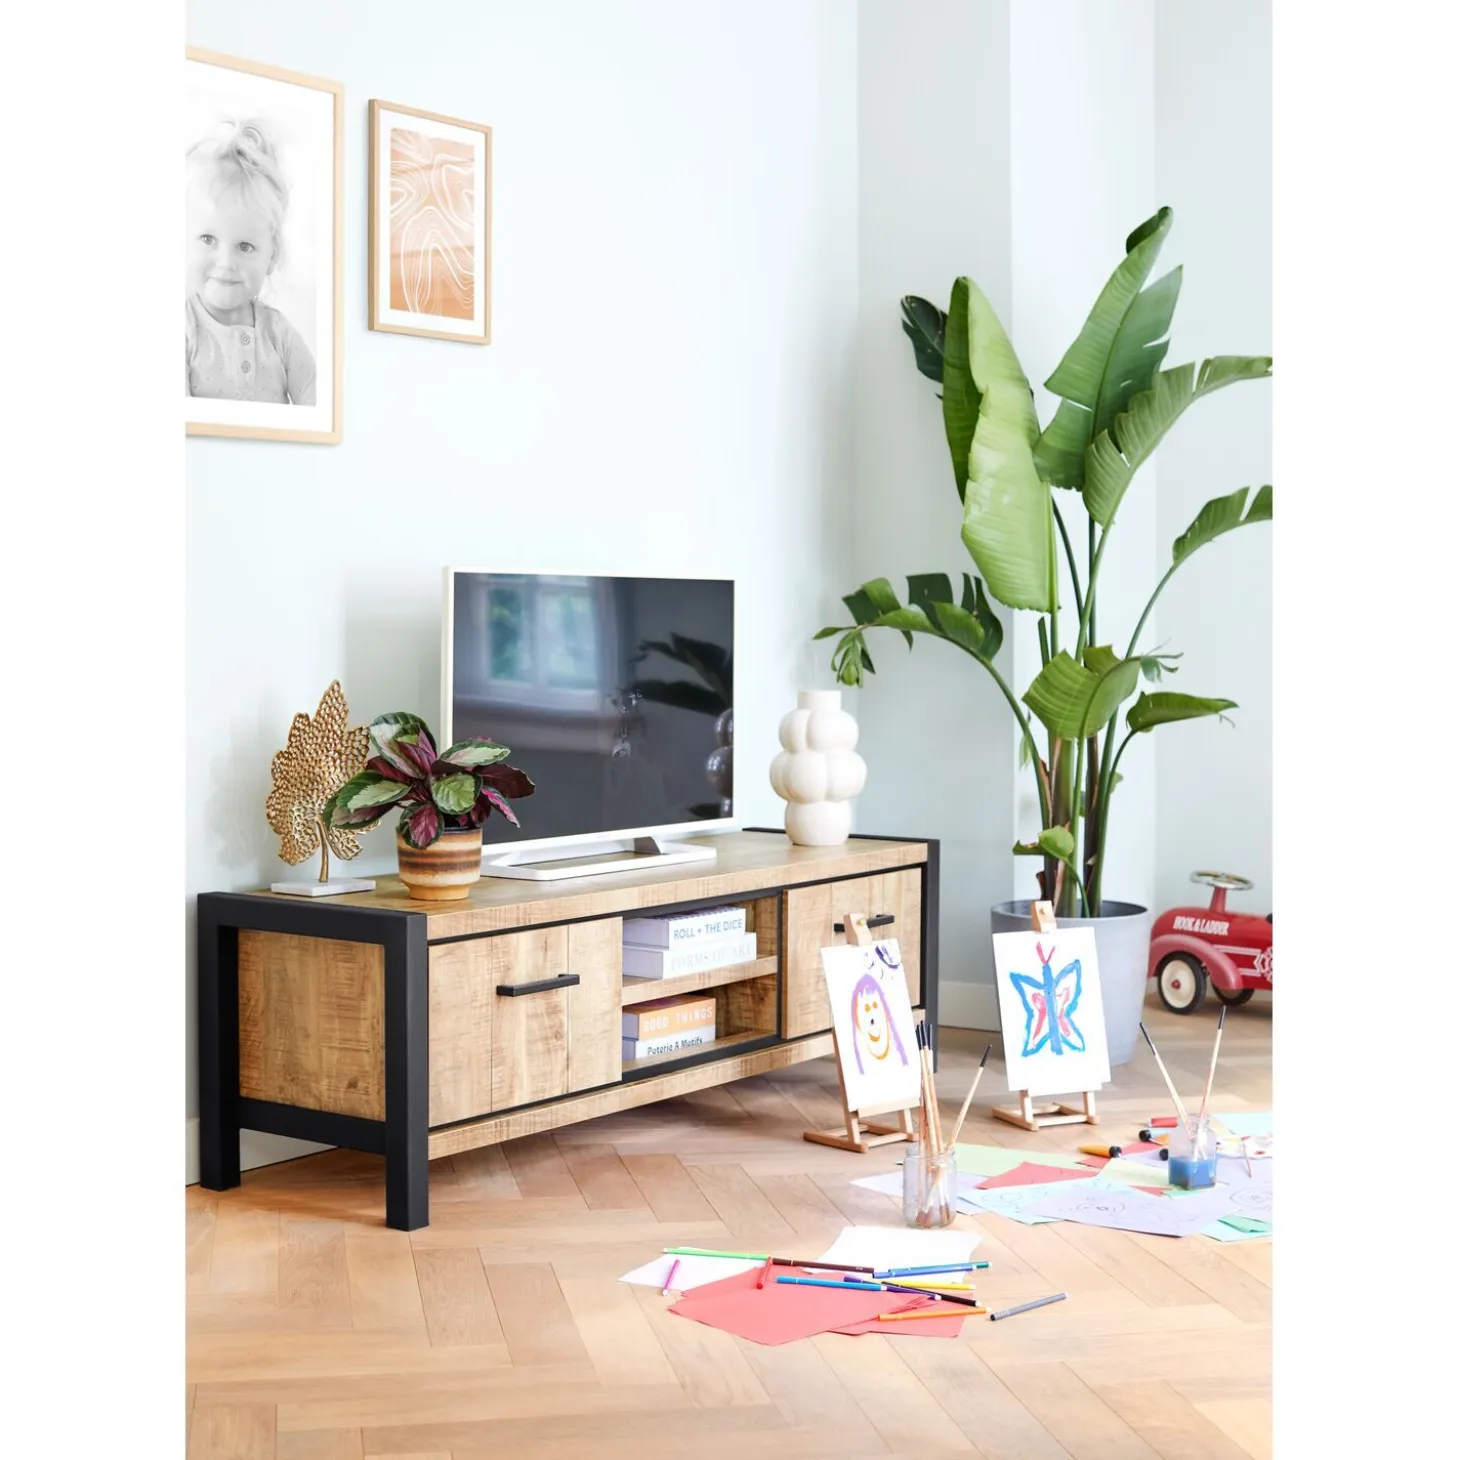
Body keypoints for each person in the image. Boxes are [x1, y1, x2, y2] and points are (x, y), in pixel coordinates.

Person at [185, 117, 315, 406]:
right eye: (208, 239)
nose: (225, 262)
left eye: (245, 246)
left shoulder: (279, 333)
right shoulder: (183, 327)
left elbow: (323, 408)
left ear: (272, 254)